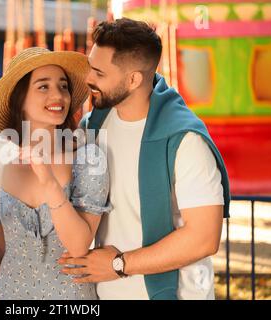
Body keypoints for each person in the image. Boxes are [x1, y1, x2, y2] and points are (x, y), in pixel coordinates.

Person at [56, 18, 231, 300]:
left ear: (134, 79)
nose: (88, 79)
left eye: (99, 73)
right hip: (106, 294)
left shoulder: (185, 141)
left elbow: (205, 237)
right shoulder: (93, 127)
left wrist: (120, 264)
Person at [0, 47, 111, 300]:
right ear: (20, 98)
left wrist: (48, 182)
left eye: (63, 87)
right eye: (43, 86)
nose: (58, 95)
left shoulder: (88, 158)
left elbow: (79, 245)